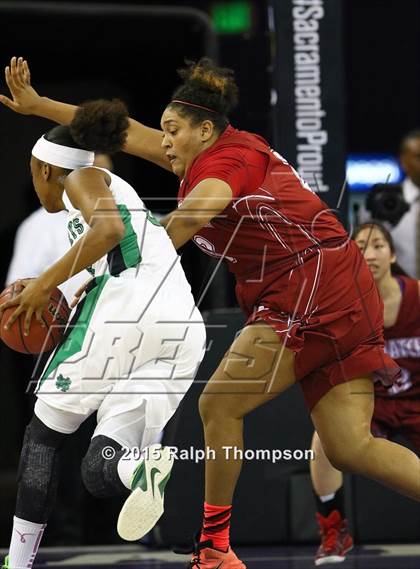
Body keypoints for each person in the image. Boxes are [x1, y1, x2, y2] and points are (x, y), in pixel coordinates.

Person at [2, 56, 420, 569]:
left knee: (218, 405)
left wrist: (145, 249)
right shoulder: (199, 151)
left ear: (205, 130)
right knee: (352, 447)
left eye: (173, 131)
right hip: (330, 281)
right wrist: (40, 105)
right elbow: (122, 130)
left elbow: (194, 214)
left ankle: (215, 548)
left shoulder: (226, 164)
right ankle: (216, 547)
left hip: (311, 281)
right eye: (165, 131)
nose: (165, 140)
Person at [0, 95, 206, 569]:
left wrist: (44, 286)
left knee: (43, 437)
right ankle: (141, 467)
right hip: (180, 330)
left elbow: (109, 231)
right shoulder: (122, 195)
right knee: (99, 470)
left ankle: (18, 561)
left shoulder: (80, 177)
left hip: (127, 316)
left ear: (42, 167)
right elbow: (122, 245)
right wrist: (75, 289)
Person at [310, 221, 420, 565]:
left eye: (377, 246)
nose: (369, 254)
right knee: (323, 440)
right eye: (360, 246)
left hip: (416, 401)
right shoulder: (341, 303)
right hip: (373, 404)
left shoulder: (417, 295)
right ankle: (334, 530)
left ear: (393, 254)